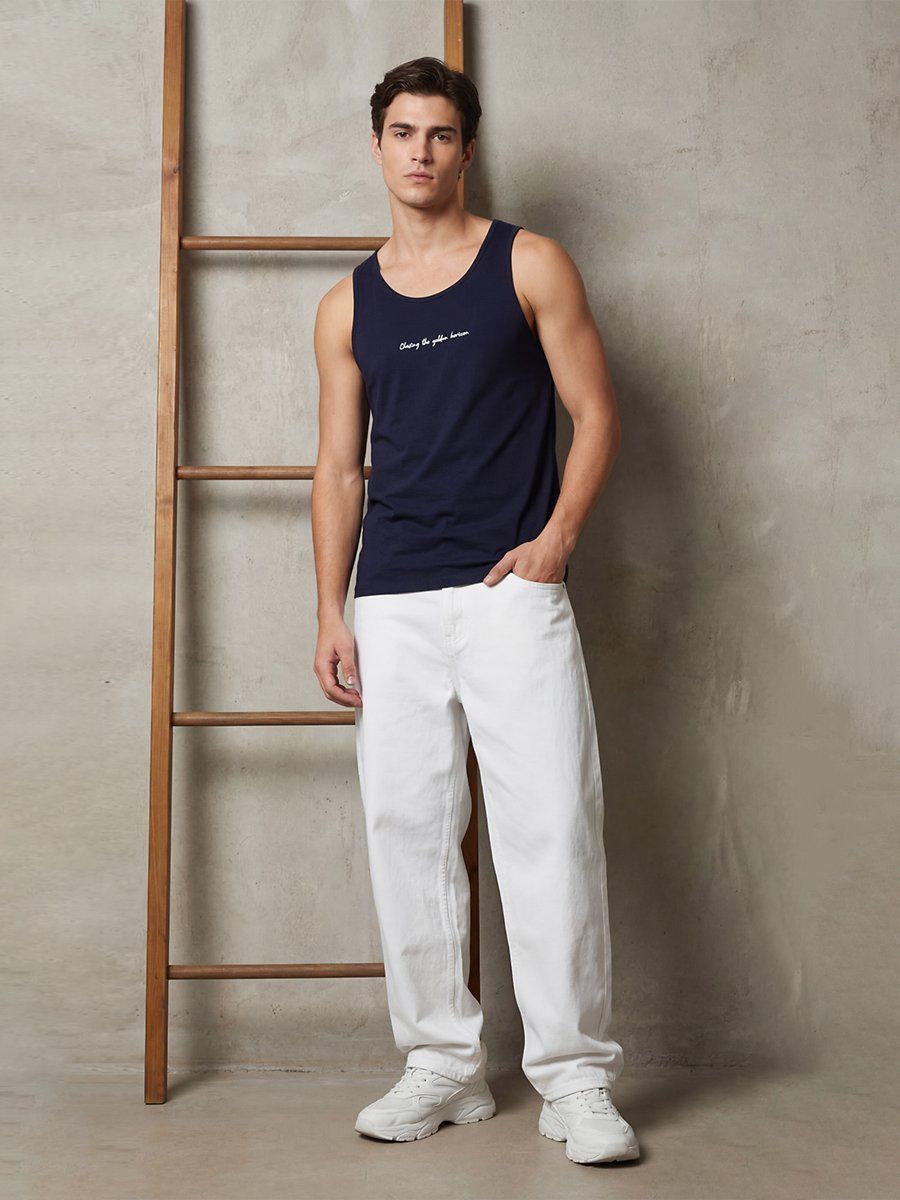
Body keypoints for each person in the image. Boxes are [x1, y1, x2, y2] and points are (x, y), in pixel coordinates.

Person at [310, 56, 639, 1167]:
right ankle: (443, 1067)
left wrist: (556, 544)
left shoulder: (529, 263)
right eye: (403, 133)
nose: (421, 152)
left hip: (512, 592)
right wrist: (331, 610)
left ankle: (576, 1080)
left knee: (550, 828)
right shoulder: (346, 304)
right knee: (406, 834)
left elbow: (596, 413)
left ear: (467, 149)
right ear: (377, 146)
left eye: (441, 134)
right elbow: (338, 469)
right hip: (393, 600)